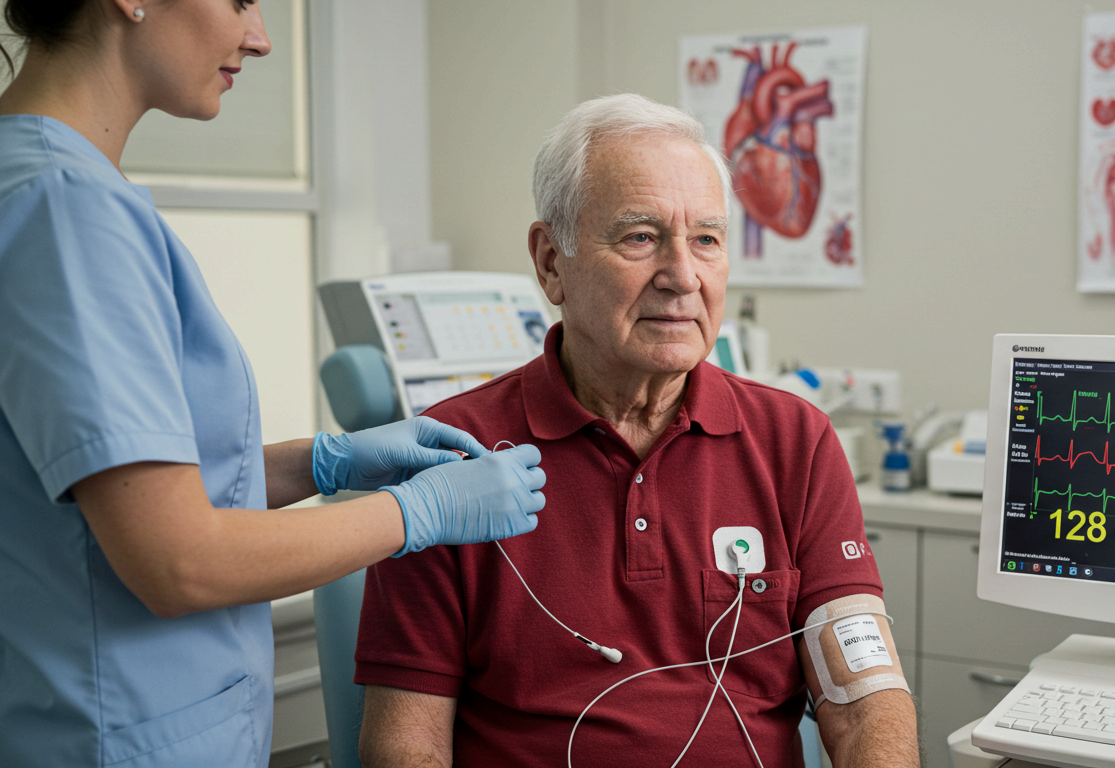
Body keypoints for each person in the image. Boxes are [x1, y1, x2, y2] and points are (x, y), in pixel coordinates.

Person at [0, 2, 546, 766]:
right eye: (240, 0)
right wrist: (417, 511)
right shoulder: (65, 208)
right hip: (117, 733)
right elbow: (177, 560)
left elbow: (117, 500)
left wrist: (320, 462)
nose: (259, 38)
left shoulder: (45, 183)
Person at [354, 94, 920, 768]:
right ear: (551, 263)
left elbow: (864, 700)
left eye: (706, 239)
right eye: (640, 237)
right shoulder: (455, 454)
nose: (683, 277)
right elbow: (405, 742)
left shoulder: (796, 441)